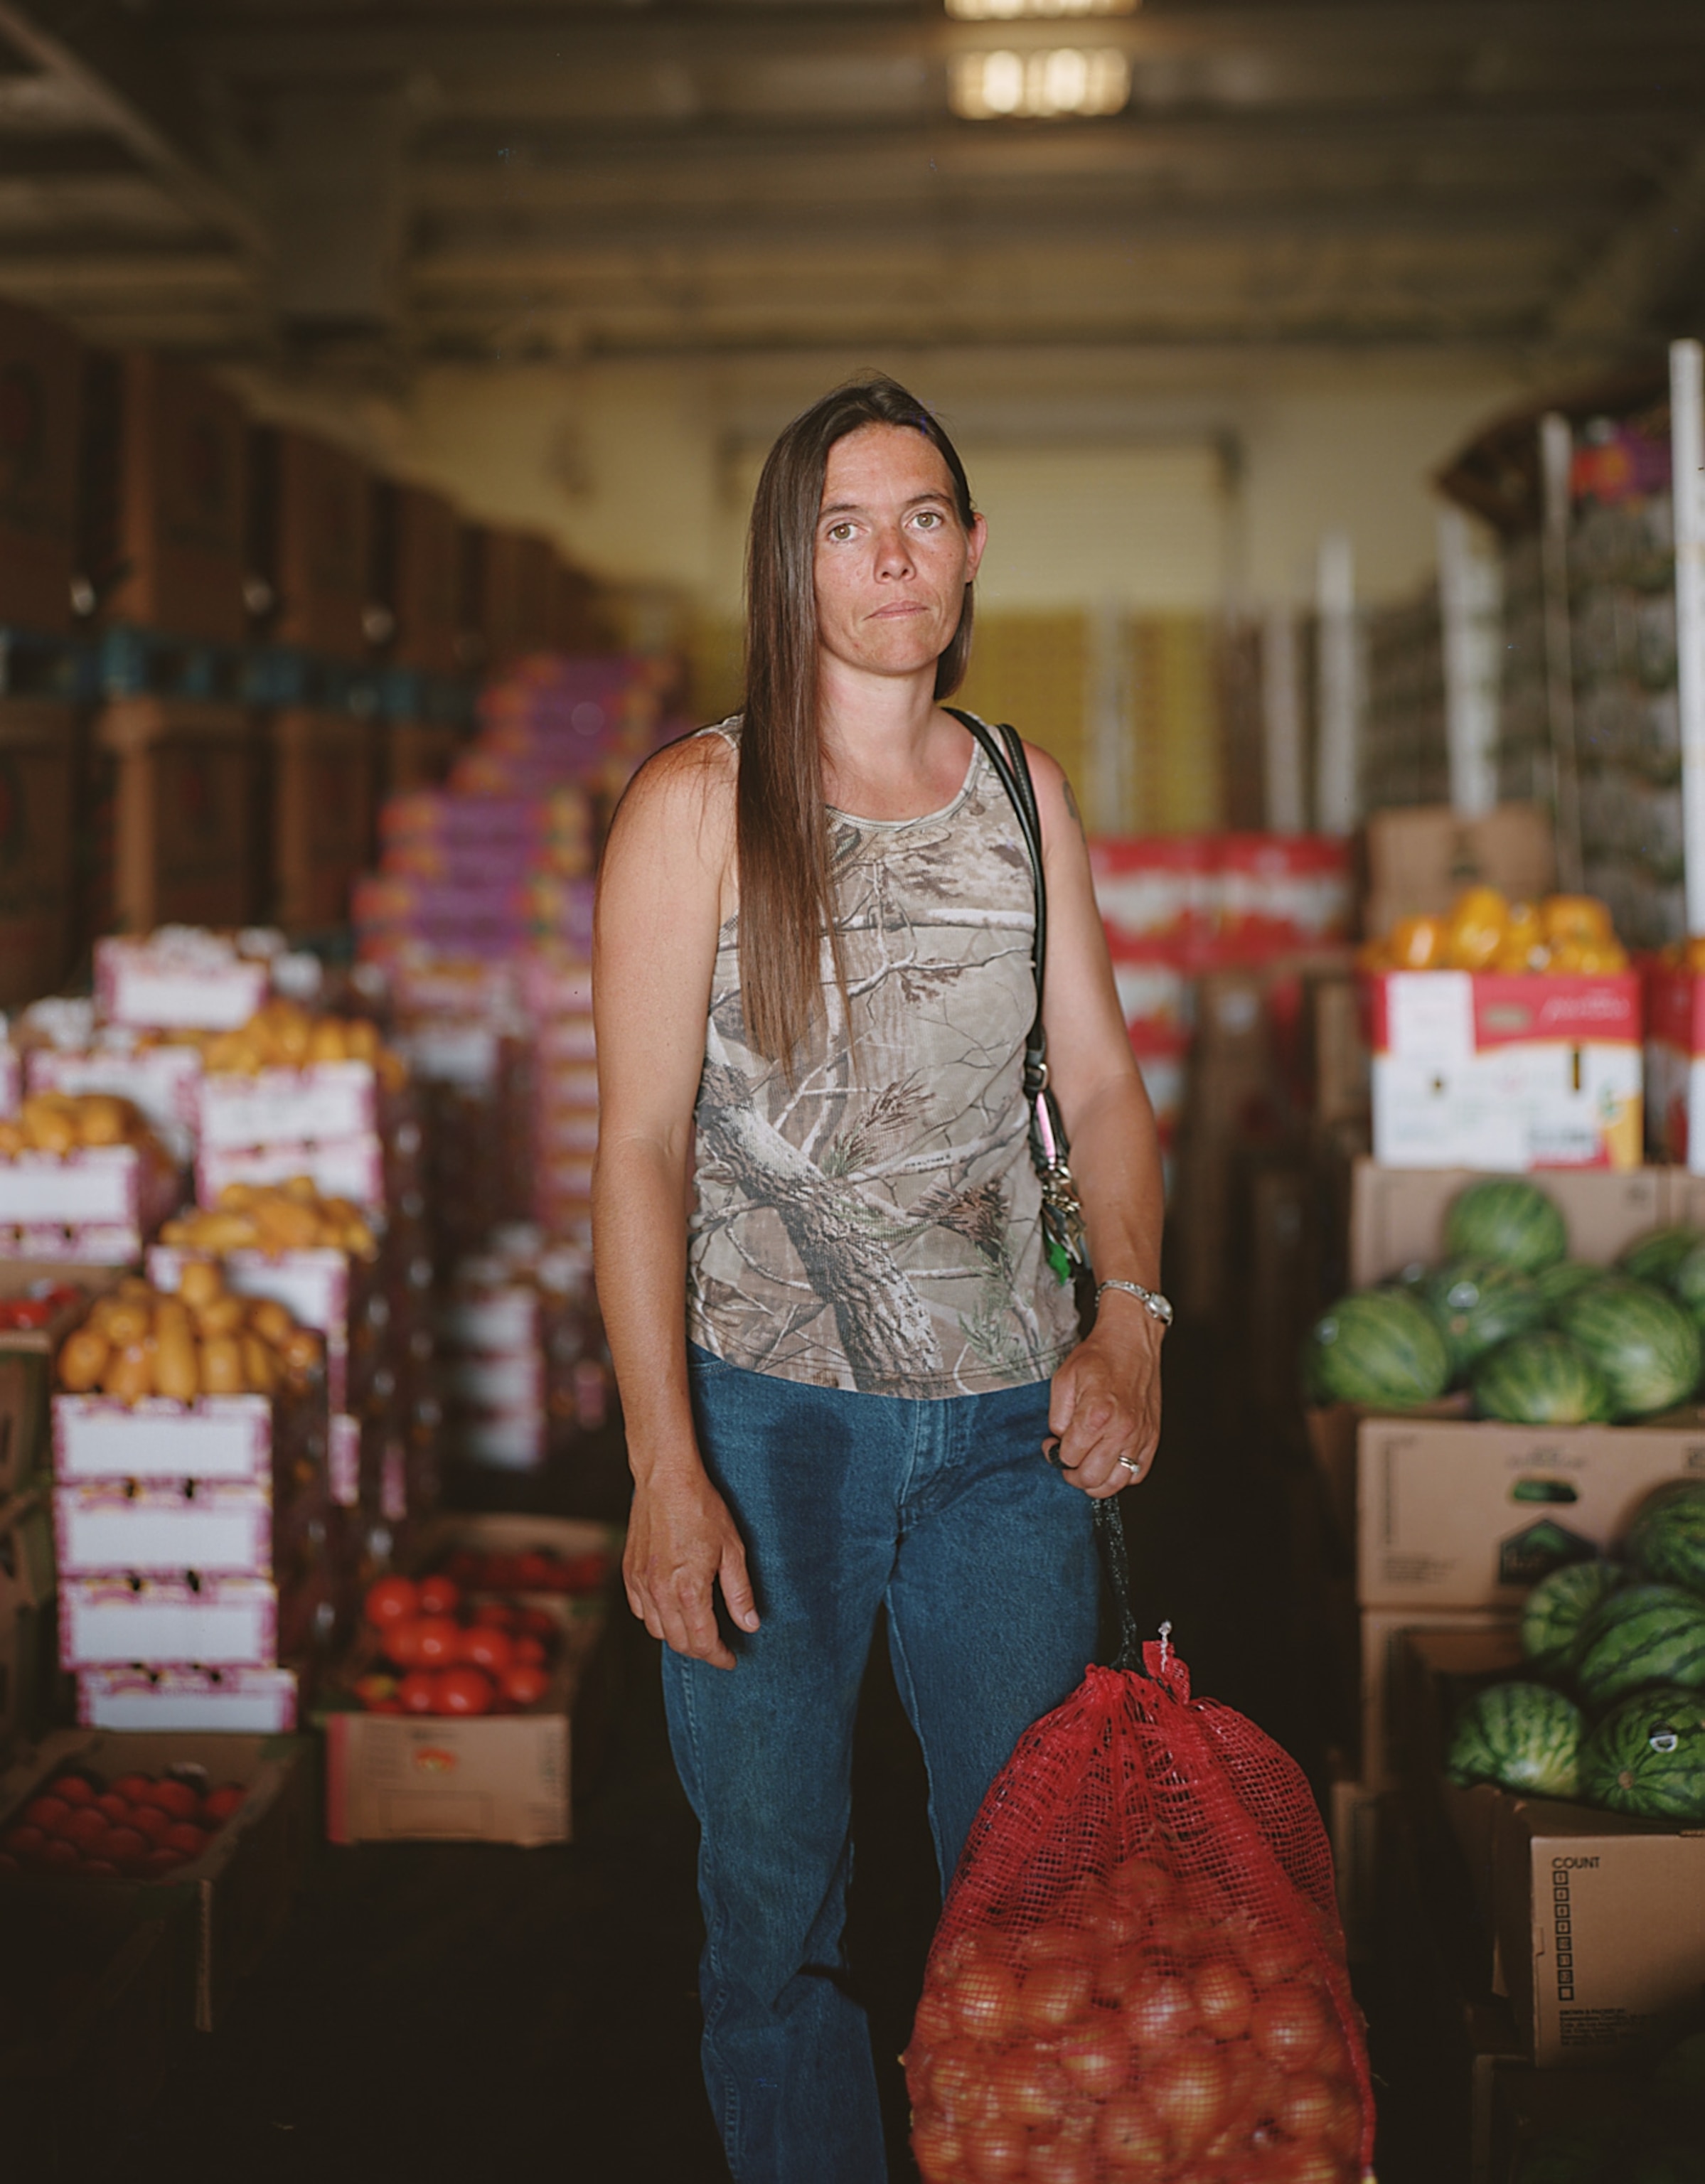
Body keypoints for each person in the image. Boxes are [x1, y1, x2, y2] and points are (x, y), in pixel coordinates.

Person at [592, 375, 1167, 2183]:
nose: (888, 557)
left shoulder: (1019, 791)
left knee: (1032, 1895)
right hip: (768, 1435)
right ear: (792, 562)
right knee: (778, 1922)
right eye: (843, 526)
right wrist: (661, 1467)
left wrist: (1130, 1324)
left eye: (920, 517)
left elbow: (1103, 1085)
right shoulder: (699, 801)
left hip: (1007, 1440)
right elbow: (636, 1152)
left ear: (972, 551)